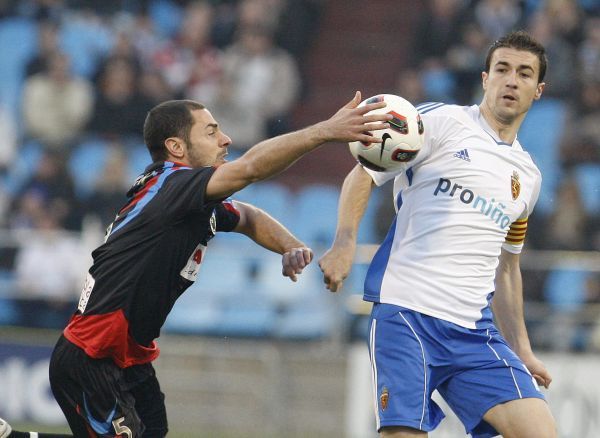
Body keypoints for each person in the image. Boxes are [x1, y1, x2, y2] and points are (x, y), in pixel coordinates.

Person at [0, 93, 392, 438]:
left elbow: (248, 216)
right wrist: (325, 130)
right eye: (211, 131)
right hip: (91, 355)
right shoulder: (171, 185)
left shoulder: (189, 200)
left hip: (130, 358)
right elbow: (251, 168)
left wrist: (290, 245)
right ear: (176, 146)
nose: (226, 139)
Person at [319, 31, 557, 438]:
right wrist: (344, 242)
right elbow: (364, 175)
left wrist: (521, 346)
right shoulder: (440, 122)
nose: (511, 80)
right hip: (406, 314)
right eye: (502, 69)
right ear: (485, 78)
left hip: (473, 330)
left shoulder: (529, 177)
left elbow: (506, 266)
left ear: (538, 90)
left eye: (524, 73)